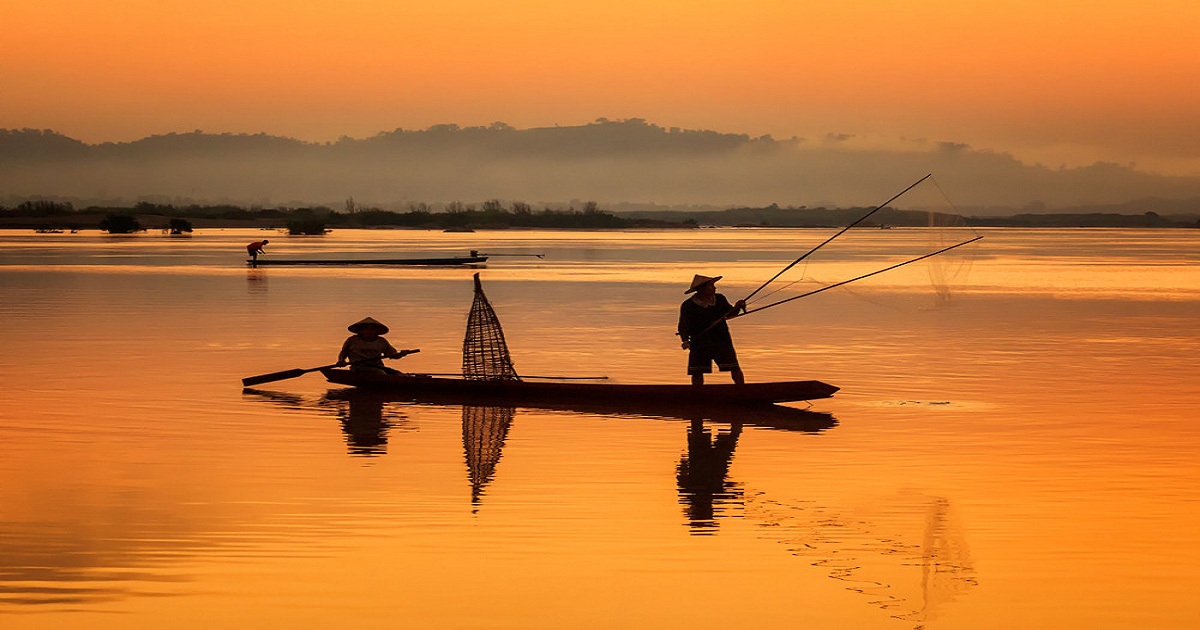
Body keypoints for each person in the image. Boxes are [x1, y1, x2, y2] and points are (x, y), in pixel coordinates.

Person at [677, 275, 746, 385]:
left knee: (734, 367)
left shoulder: (720, 299)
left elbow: (730, 313)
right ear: (700, 289)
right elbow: (683, 326)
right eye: (711, 286)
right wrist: (685, 340)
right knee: (697, 371)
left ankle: (742, 389)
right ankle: (698, 394)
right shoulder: (688, 305)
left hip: (721, 339)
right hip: (699, 341)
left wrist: (737, 307)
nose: (715, 288)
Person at [336, 317, 411, 374]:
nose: (369, 332)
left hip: (378, 366)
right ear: (360, 331)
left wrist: (401, 354)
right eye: (366, 329)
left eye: (372, 329)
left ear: (376, 331)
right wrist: (341, 361)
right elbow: (344, 352)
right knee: (380, 373)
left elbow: (392, 355)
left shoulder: (381, 341)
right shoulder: (352, 340)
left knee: (398, 374)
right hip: (359, 368)